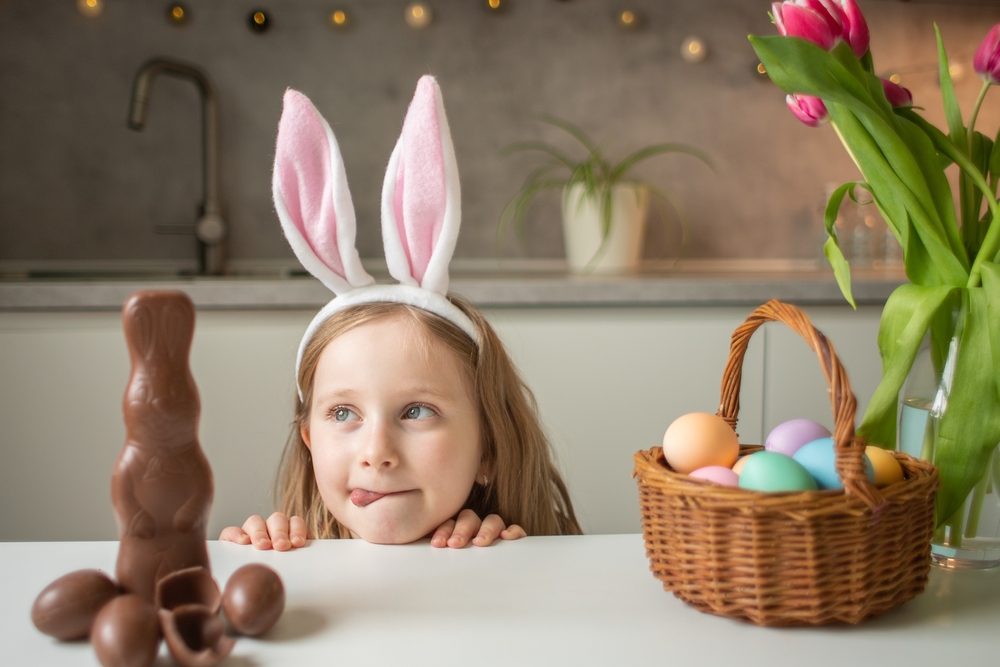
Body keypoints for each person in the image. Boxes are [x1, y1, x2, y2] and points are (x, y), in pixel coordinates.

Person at [220, 76, 579, 550]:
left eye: (416, 411)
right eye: (343, 412)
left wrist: (514, 557)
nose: (376, 453)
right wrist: (258, 556)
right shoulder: (292, 550)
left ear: (489, 447)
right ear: (310, 443)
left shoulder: (520, 550)